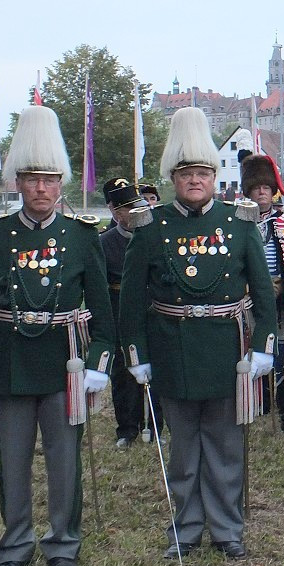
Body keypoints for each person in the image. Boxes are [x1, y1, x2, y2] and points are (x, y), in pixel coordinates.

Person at [0, 105, 114, 566]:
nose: (41, 188)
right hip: (8, 362)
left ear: (61, 182)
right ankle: (16, 543)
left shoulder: (83, 236)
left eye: (49, 179)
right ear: (18, 182)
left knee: (66, 459)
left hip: (64, 362)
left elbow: (103, 312)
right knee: (13, 459)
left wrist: (98, 362)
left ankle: (63, 543)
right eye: (31, 179)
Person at [119, 107, 277, 561]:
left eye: (203, 172)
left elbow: (263, 294)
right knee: (184, 450)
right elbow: (131, 299)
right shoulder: (150, 228)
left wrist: (265, 346)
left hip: (228, 350)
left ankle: (228, 529)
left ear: (214, 177)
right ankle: (186, 530)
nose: (195, 180)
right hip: (173, 351)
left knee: (226, 447)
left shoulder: (239, 222)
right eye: (187, 172)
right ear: (173, 176)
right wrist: (137, 353)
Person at [238, 139, 284, 435]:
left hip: (282, 300)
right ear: (249, 192)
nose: (262, 192)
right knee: (250, 350)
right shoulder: (237, 224)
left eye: (266, 187)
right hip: (248, 298)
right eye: (256, 188)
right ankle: (255, 404)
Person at [98, 177, 161, 448]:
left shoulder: (153, 236)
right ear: (114, 211)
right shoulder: (104, 243)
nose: (136, 211)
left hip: (152, 310)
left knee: (157, 367)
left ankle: (157, 423)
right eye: (128, 207)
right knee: (123, 373)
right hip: (119, 312)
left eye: (138, 204)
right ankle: (127, 428)